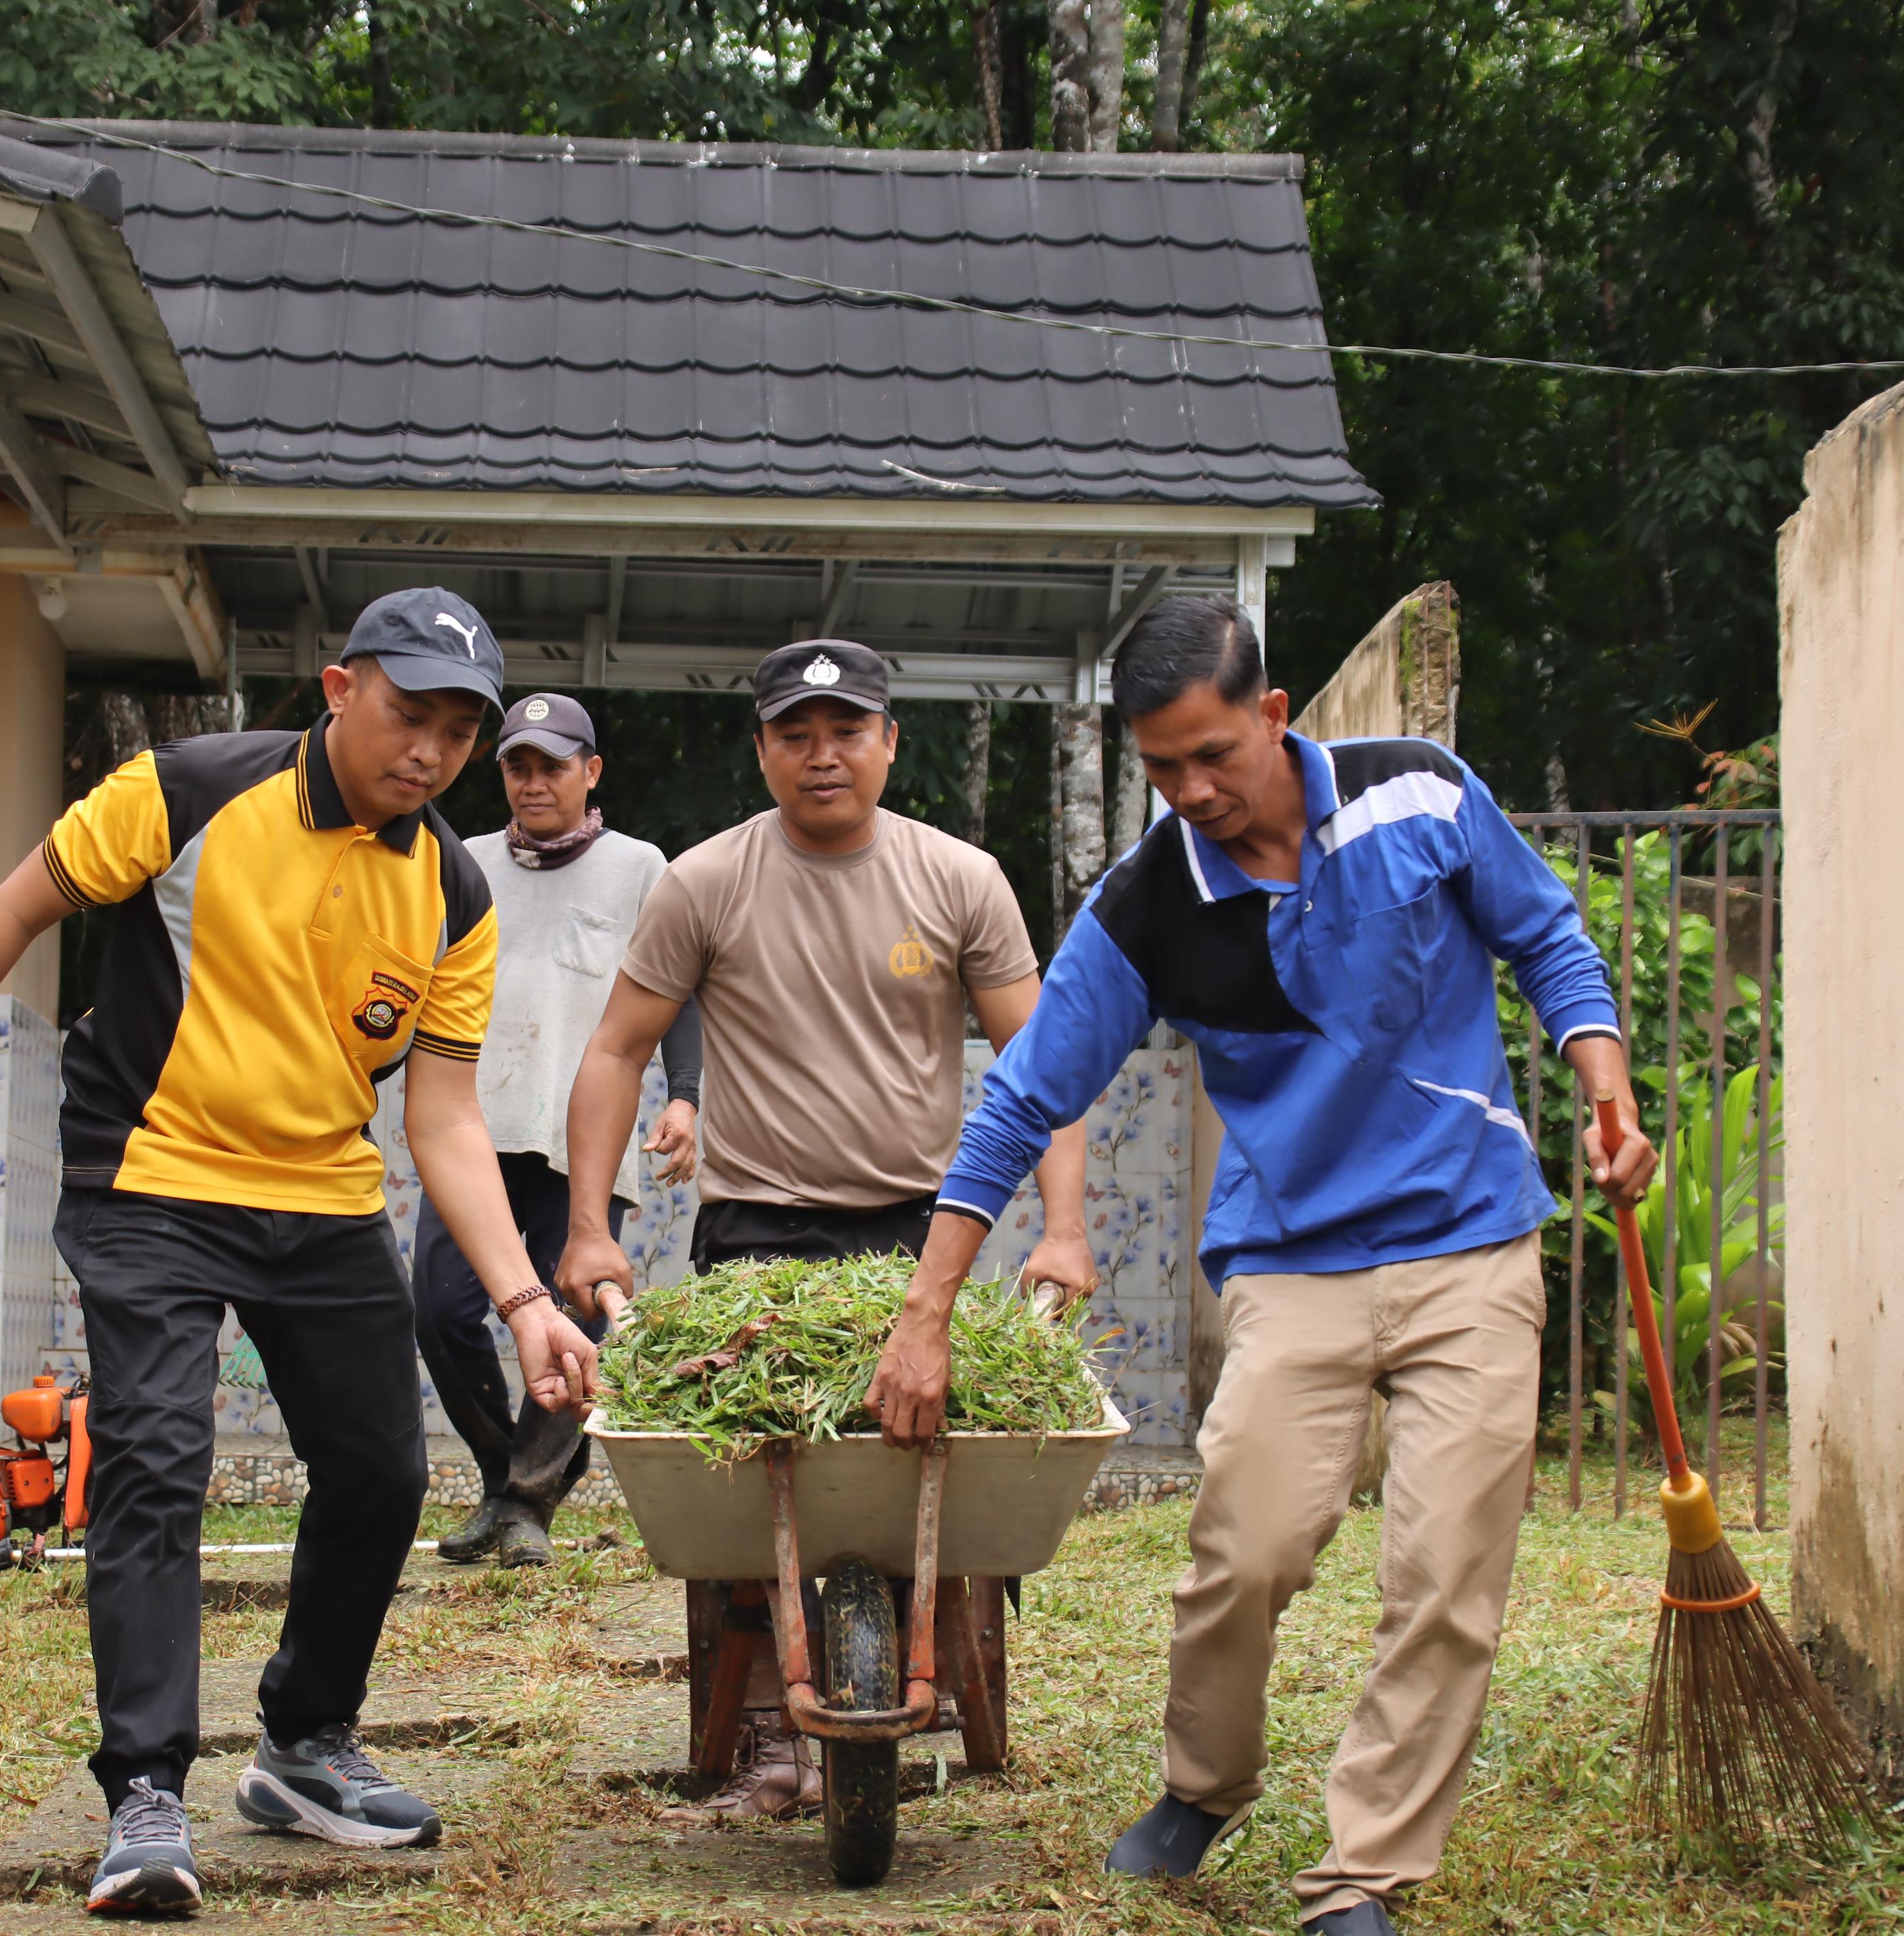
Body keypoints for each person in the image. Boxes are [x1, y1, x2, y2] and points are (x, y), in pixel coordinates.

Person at [0, 590, 600, 1916]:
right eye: (409, 714)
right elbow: (8, 915)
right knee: (157, 1455)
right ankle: (147, 1793)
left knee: (384, 1470)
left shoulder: (453, 886)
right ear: (340, 688)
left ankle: (304, 1746)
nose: (431, 752)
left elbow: (441, 1114)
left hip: (321, 1194)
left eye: (460, 731)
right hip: (149, 1175)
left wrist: (521, 1298)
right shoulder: (184, 790)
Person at [866, 596, 1656, 1936]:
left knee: (1448, 1575)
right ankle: (1203, 1781)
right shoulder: (1150, 903)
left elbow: (1548, 935)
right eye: (1161, 766)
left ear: (1276, 714)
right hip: (1293, 1263)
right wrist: (925, 1309)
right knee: (1248, 1547)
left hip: (1473, 1243)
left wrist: (1605, 1077)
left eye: (1214, 754)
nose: (1192, 791)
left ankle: (1360, 1877)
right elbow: (1019, 1104)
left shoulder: (1420, 793)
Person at [553, 637, 1096, 1819]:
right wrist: (589, 1225)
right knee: (747, 1482)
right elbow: (615, 1049)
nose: (822, 754)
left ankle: (935, 1675)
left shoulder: (960, 878)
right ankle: (761, 1730)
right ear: (762, 751)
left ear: (891, 741)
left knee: (926, 1469)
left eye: (847, 729)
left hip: (919, 1240)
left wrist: (1065, 1225)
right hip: (754, 1238)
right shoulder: (705, 880)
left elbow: (1043, 1060)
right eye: (795, 734)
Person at [415, 691, 704, 1570]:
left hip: (582, 1137)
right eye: (516, 765)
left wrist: (683, 1092)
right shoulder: (458, 861)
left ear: (591, 772)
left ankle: (528, 1504)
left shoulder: (640, 866)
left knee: (578, 1311)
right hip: (472, 1123)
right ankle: (507, 1473)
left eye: (551, 764)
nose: (533, 782)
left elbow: (675, 987)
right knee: (440, 1308)